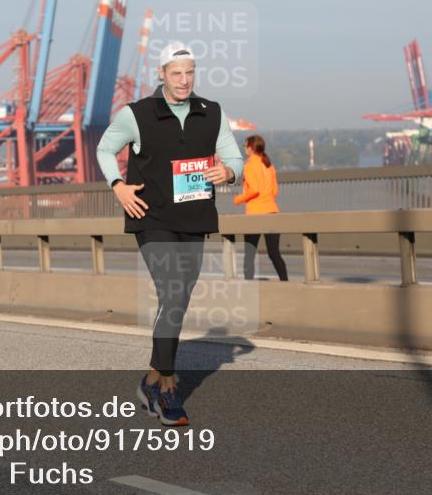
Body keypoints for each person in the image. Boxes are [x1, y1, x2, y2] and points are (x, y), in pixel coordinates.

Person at [96, 41, 244, 426]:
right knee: (174, 291)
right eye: (176, 73)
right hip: (152, 217)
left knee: (177, 297)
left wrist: (229, 172)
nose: (183, 80)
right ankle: (167, 388)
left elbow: (234, 157)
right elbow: (104, 150)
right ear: (161, 74)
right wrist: (118, 186)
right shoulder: (136, 114)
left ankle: (150, 380)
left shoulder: (211, 112)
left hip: (195, 217)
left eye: (189, 72)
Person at [234, 135, 289, 281]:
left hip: (255, 214)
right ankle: (285, 282)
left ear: (250, 148)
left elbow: (255, 190)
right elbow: (275, 191)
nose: (245, 149)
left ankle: (248, 285)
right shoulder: (269, 165)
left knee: (250, 253)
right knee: (274, 253)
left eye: (245, 146)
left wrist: (238, 199)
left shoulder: (249, 166)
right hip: (272, 211)